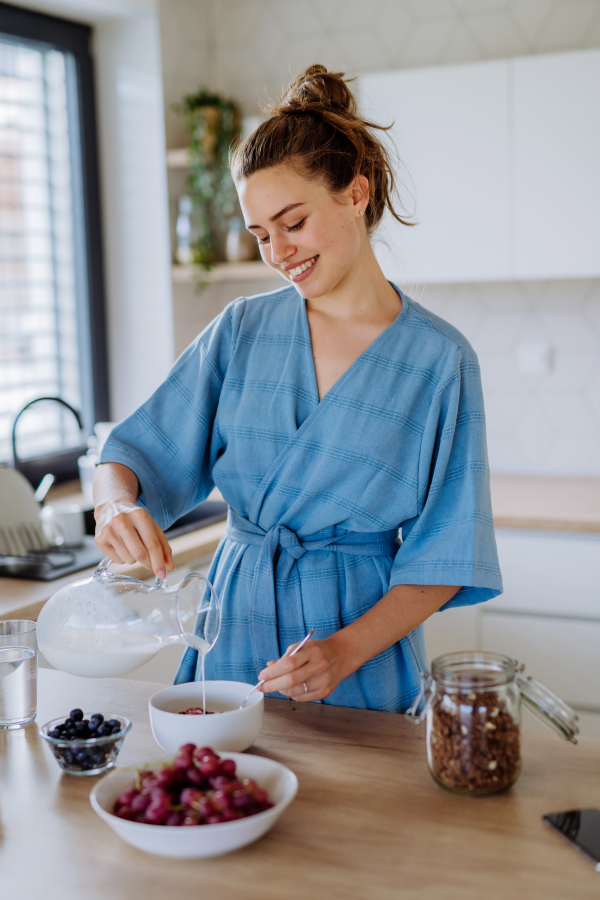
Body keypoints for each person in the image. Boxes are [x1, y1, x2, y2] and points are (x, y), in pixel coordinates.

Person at [94, 65, 502, 712]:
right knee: (219, 800)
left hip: (359, 656)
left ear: (356, 193)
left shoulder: (440, 361)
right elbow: (131, 455)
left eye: (292, 223)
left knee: (357, 813)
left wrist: (341, 651)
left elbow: (448, 557)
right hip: (232, 642)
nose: (278, 252)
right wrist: (115, 506)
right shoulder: (241, 331)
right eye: (261, 235)